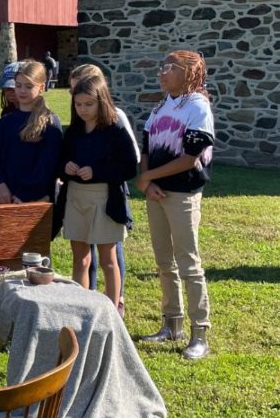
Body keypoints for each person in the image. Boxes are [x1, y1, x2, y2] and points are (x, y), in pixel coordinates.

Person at [138, 50, 214, 360]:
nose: (162, 72)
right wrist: (148, 181)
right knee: (163, 262)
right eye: (162, 66)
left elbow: (190, 158)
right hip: (157, 194)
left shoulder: (198, 107)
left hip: (182, 195)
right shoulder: (159, 107)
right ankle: (172, 324)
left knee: (188, 262)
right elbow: (146, 146)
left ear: (189, 72)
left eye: (170, 67)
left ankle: (200, 333)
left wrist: (147, 178)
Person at [59, 75, 137, 309]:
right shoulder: (73, 131)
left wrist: (97, 171)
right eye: (78, 104)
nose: (83, 109)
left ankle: (113, 309)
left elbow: (129, 166)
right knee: (80, 257)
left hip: (104, 198)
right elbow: (61, 160)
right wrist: (66, 167)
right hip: (76, 197)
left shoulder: (115, 130)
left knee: (108, 258)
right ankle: (82, 308)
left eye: (88, 104)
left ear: (101, 101)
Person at [0, 59, 63, 206]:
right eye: (18, 85)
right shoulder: (5, 122)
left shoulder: (50, 123)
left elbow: (48, 166)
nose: (22, 91)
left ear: (41, 87)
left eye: (29, 86)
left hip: (37, 200)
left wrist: (24, 195)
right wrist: (1, 185)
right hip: (6, 198)